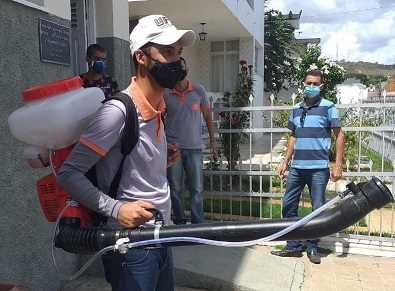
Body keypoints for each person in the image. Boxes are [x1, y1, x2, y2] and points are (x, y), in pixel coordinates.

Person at [57, 14, 196, 290]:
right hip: (130, 247)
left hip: (161, 235)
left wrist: (161, 157)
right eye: (166, 51)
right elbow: (68, 173)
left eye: (178, 52)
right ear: (141, 57)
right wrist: (116, 209)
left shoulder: (158, 108)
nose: (176, 61)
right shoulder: (118, 111)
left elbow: (130, 163)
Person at [271, 69, 345, 264]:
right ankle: (293, 246)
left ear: (321, 87)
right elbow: (293, 136)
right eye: (308, 83)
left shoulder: (328, 107)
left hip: (319, 168)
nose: (310, 87)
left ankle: (313, 247)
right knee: (288, 206)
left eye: (315, 84)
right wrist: (285, 162)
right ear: (303, 84)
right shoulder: (296, 108)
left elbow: (340, 135)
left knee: (317, 209)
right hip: (297, 167)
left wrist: (337, 165)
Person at [164, 56, 218, 225]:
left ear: (187, 69)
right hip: (174, 149)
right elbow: (159, 119)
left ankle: (198, 223)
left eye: (182, 67)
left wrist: (212, 141)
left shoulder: (198, 90)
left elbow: (208, 116)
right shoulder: (166, 93)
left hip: (195, 148)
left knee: (196, 188)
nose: (180, 70)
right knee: (176, 188)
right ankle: (180, 222)